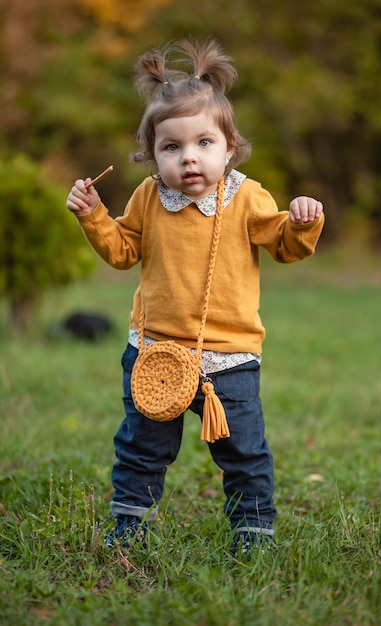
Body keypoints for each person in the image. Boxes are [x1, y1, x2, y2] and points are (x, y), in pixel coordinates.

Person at [66, 38, 324, 556]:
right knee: (142, 446)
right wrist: (93, 215)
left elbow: (284, 245)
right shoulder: (147, 198)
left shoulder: (247, 197)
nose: (189, 158)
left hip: (229, 358)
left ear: (229, 148)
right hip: (156, 351)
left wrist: (302, 220)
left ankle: (252, 528)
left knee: (244, 451)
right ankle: (130, 521)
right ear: (151, 154)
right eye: (172, 147)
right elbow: (122, 251)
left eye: (204, 143)